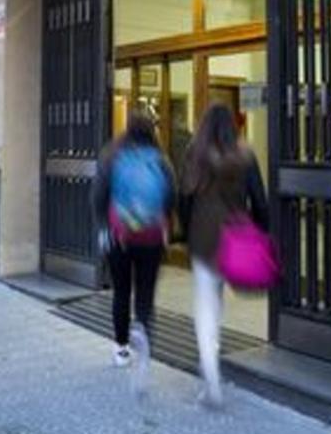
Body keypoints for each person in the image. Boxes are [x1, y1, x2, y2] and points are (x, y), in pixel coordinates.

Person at [179, 103, 268, 408]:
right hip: (236, 237)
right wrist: (260, 231)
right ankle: (213, 359)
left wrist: (185, 232)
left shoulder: (195, 152)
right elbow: (260, 200)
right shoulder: (245, 154)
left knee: (205, 305)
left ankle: (212, 380)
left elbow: (185, 198)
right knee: (216, 301)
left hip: (204, 239)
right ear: (232, 125)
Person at [91, 112, 175, 394]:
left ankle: (121, 348)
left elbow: (98, 195)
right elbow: (170, 196)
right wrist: (166, 227)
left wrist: (105, 225)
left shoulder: (111, 153)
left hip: (119, 235)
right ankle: (143, 335)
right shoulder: (160, 158)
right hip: (151, 235)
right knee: (146, 291)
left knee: (121, 291)